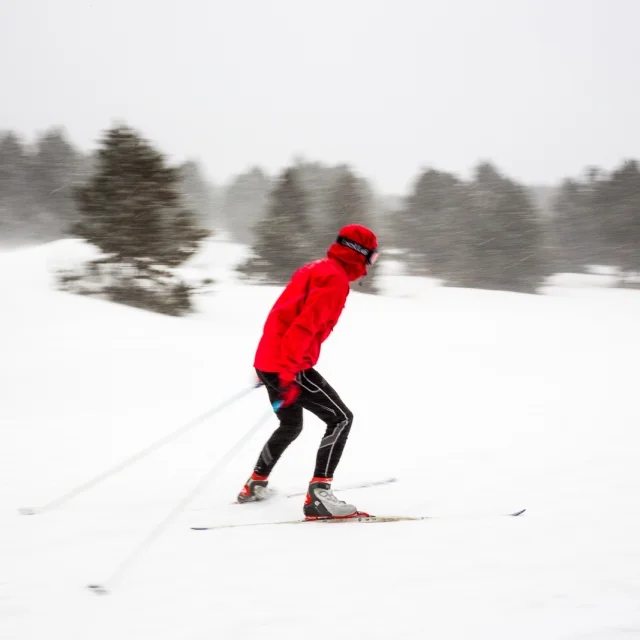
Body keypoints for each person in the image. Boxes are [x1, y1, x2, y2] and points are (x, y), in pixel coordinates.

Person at [237, 224, 379, 520]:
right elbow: (303, 327)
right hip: (289, 364)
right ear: (360, 254)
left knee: (290, 425)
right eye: (373, 257)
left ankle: (256, 484)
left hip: (271, 361)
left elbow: (279, 315)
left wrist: (265, 368)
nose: (372, 265)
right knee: (340, 418)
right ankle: (319, 495)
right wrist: (287, 375)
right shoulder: (334, 279)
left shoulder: (315, 269)